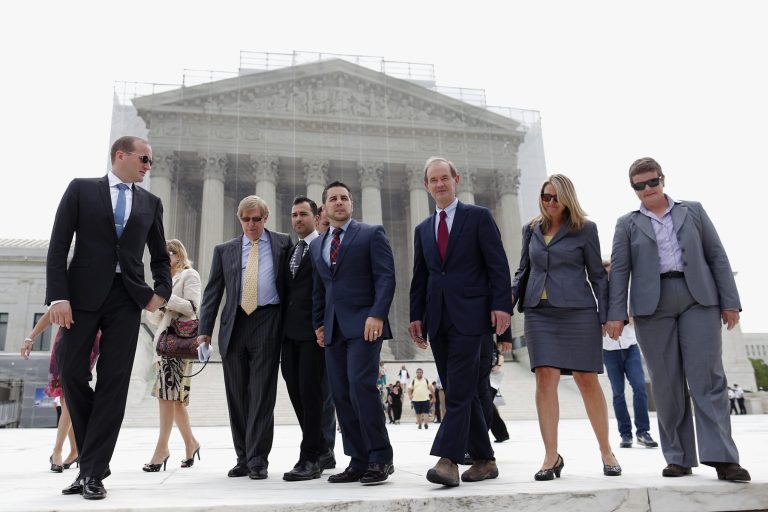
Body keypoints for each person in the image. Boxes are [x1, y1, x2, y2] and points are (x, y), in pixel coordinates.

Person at [605, 157, 750, 482]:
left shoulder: (693, 210)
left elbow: (717, 255)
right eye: (639, 186)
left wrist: (731, 302)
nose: (647, 190)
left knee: (708, 378)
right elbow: (620, 272)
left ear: (662, 179)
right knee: (666, 383)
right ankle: (678, 457)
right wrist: (615, 315)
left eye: (652, 182)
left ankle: (723, 457)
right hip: (651, 307)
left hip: (698, 298)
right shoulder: (626, 223)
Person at [46, 135, 172, 500]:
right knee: (72, 373)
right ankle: (93, 463)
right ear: (121, 155)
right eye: (144, 159)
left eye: (151, 161)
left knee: (114, 383)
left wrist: (160, 292)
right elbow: (58, 245)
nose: (149, 166)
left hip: (127, 299)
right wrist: (59, 297)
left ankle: (92, 471)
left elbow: (160, 255)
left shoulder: (151, 202)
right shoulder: (81, 190)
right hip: (81, 296)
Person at [409, 156, 512, 487]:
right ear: (426, 186)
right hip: (438, 319)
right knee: (458, 389)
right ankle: (484, 460)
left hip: (471, 316)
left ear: (456, 180)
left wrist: (502, 308)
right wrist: (416, 316)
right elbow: (421, 277)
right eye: (433, 180)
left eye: (444, 178)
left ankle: (449, 460)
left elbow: (497, 265)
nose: (439, 184)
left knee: (461, 389)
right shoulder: (423, 228)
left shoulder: (478, 217)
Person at [512, 173, 621, 481]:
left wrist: (607, 315)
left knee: (587, 380)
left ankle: (606, 450)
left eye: (555, 197)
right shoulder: (531, 229)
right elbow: (523, 269)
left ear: (567, 199)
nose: (549, 202)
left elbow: (598, 275)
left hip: (578, 312)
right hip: (539, 313)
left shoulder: (585, 229)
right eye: (545, 197)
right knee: (545, 379)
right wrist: (506, 300)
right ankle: (551, 455)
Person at [197, 195, 291, 480]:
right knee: (237, 395)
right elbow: (212, 292)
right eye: (246, 219)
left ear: (266, 218)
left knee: (262, 393)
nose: (251, 224)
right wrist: (204, 332)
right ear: (240, 220)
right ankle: (243, 457)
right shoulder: (224, 250)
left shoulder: (283, 244)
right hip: (235, 324)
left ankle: (258, 459)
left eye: (256, 219)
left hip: (268, 320)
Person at [310, 180, 396, 484]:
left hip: (365, 326)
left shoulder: (372, 234)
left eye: (344, 198)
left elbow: (386, 278)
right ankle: (358, 460)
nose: (339, 202)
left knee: (362, 387)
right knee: (342, 394)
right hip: (334, 329)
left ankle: (380, 457)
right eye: (333, 198)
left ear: (351, 204)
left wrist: (377, 315)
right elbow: (319, 290)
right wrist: (318, 325)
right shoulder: (318, 244)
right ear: (324, 207)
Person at [280, 196, 335, 481]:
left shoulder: (323, 247)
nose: (298, 219)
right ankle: (321, 447)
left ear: (316, 217)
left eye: (303, 214)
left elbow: (330, 289)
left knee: (312, 396)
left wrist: (325, 325)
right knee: (297, 393)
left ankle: (310, 457)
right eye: (294, 214)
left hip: (314, 335)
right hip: (289, 336)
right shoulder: (291, 250)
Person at [143, 239, 202, 472]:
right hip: (163, 346)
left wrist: (166, 297)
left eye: (169, 253)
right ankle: (191, 443)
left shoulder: (190, 275)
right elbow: (156, 318)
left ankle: (162, 449)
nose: (165, 257)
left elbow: (192, 307)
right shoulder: (165, 280)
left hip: (178, 345)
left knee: (167, 396)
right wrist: (157, 303)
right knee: (174, 400)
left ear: (179, 254)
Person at [20, 312, 100, 473]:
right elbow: (52, 312)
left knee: (71, 398)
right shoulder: (71, 288)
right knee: (67, 400)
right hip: (67, 341)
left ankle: (58, 450)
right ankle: (71, 451)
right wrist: (30, 337)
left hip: (90, 343)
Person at [601, 260, 658, 449]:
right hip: (609, 350)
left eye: (612, 274)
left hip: (631, 346)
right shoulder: (597, 299)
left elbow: (635, 318)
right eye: (606, 275)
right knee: (618, 393)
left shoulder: (626, 294)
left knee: (640, 388)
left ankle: (643, 432)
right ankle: (625, 434)